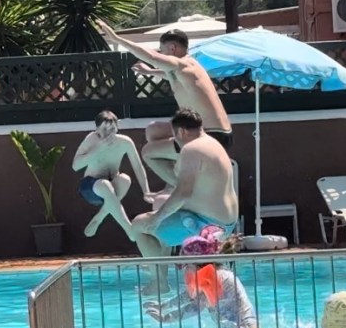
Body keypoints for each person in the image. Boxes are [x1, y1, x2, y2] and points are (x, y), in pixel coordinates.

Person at [98, 21, 232, 191]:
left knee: (148, 153)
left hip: (212, 136)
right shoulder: (188, 67)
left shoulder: (184, 64)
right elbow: (171, 75)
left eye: (162, 50)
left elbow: (152, 57)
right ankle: (183, 172)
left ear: (172, 48)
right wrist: (150, 72)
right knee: (153, 131)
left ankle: (185, 190)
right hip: (205, 130)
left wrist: (117, 39)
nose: (161, 54)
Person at [130, 109, 239, 260]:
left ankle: (158, 275)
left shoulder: (190, 149)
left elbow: (183, 194)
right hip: (226, 222)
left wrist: (156, 219)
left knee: (138, 225)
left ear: (181, 132)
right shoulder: (212, 143)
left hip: (207, 225)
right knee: (161, 205)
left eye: (175, 137)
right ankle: (163, 262)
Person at [143, 231, 258, 328]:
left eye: (187, 265)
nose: (186, 269)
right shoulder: (210, 274)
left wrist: (166, 318)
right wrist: (163, 306)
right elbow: (188, 295)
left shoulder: (217, 277)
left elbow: (196, 306)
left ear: (196, 262)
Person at [72, 110, 155, 238]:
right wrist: (97, 149)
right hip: (90, 187)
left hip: (112, 185)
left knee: (125, 179)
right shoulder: (92, 139)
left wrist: (146, 191)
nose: (108, 134)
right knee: (105, 185)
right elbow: (75, 166)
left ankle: (99, 218)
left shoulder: (125, 142)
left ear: (117, 127)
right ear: (97, 129)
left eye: (112, 130)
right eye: (104, 130)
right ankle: (128, 228)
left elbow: (138, 167)